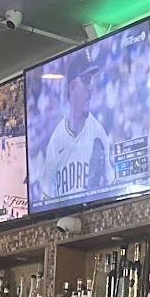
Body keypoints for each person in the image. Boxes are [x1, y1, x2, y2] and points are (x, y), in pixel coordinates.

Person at [38, 53, 110, 201]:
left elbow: (112, 189)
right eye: (85, 81)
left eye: (90, 81)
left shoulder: (98, 134)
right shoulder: (55, 140)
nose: (90, 88)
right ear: (72, 87)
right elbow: (47, 199)